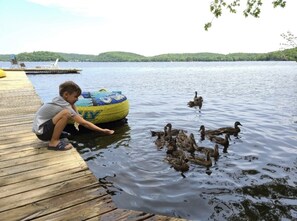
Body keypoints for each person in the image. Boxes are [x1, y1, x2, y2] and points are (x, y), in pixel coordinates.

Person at [32, 81, 114, 150]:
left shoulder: (60, 100)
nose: (77, 99)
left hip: (43, 129)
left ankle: (57, 137)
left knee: (66, 114)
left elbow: (72, 104)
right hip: (42, 132)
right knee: (66, 113)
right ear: (66, 94)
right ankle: (53, 143)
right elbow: (84, 123)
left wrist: (77, 114)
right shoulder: (64, 106)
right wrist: (103, 130)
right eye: (75, 96)